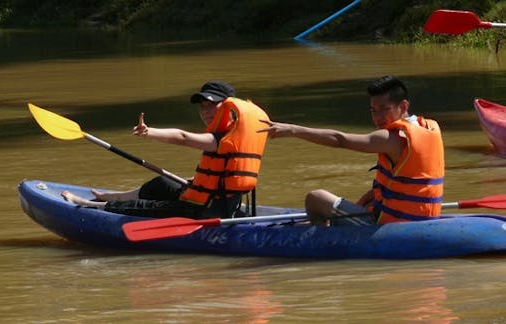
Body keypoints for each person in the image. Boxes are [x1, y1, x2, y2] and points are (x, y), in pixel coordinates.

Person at [62, 81, 270, 219]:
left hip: (206, 210)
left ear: (227, 107)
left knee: (145, 207)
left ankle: (85, 205)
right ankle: (113, 197)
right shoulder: (230, 133)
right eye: (202, 106)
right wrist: (195, 182)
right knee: (162, 183)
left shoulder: (223, 138)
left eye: (211, 105)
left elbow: (183, 138)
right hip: (209, 199)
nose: (205, 111)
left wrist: (150, 132)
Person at [258, 75, 444, 225]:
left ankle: (323, 239)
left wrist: (292, 130)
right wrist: (372, 197)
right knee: (366, 199)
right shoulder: (428, 127)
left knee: (315, 198)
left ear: (403, 106)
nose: (377, 117)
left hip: (391, 225)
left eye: (383, 109)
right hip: (424, 217)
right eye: (373, 110)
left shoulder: (390, 138)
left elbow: (340, 140)